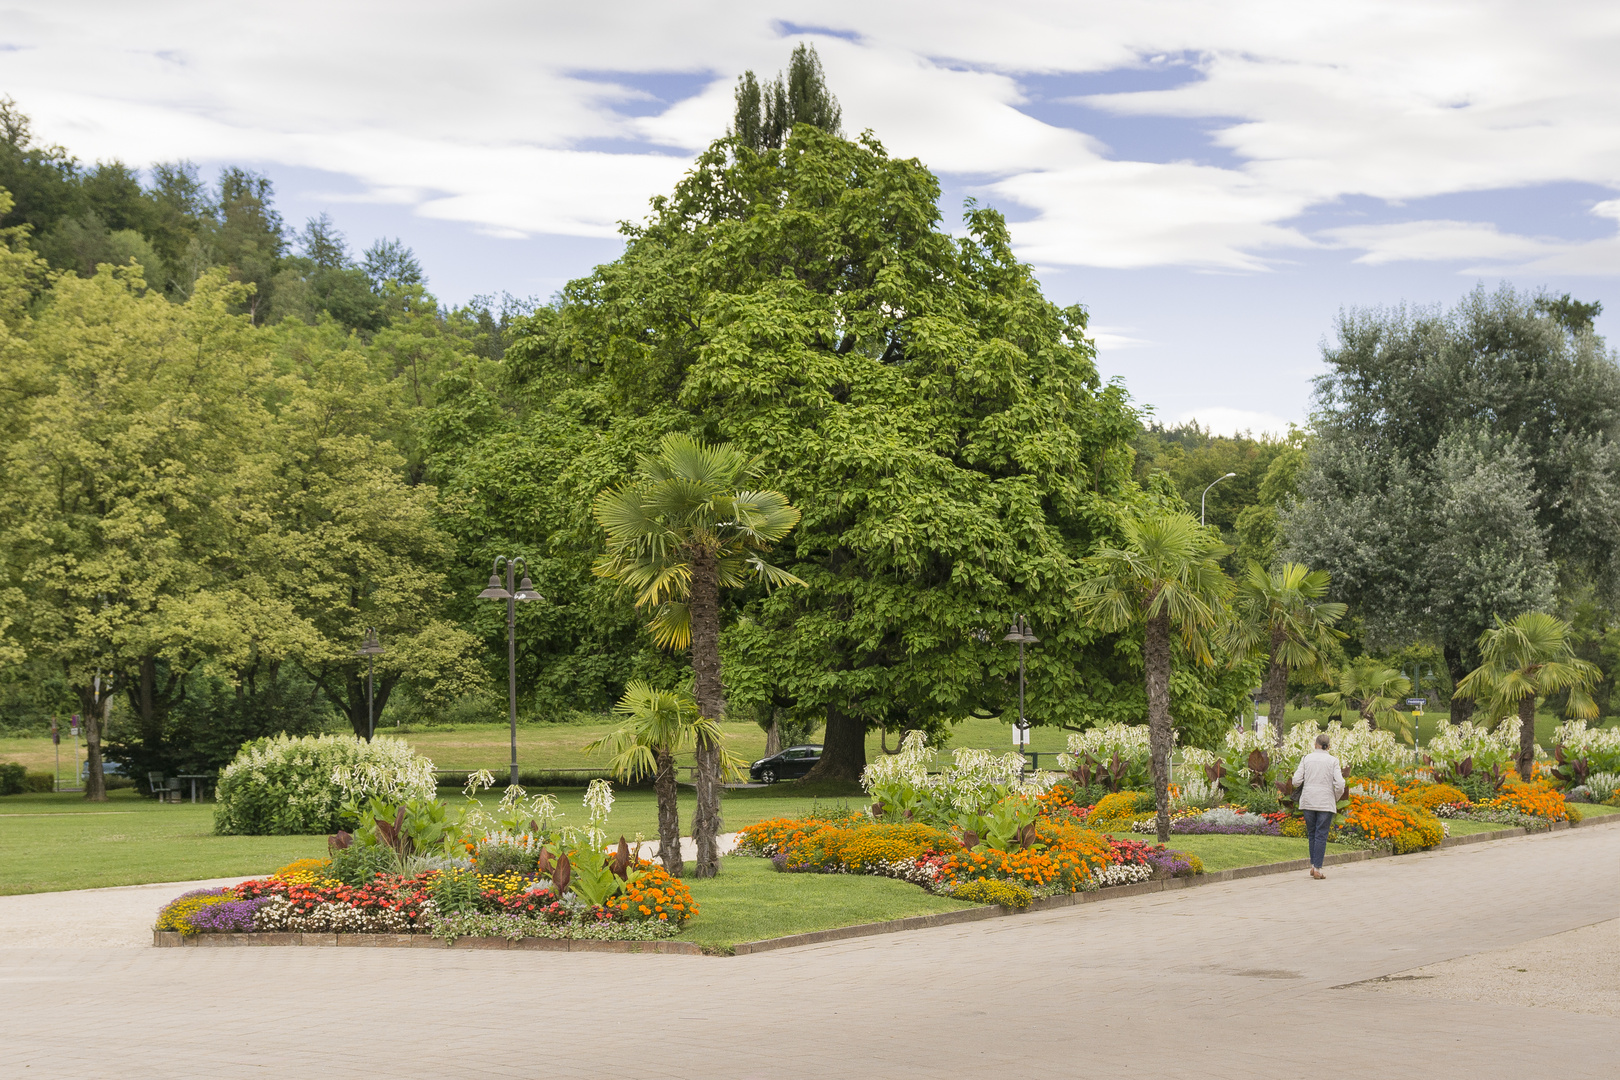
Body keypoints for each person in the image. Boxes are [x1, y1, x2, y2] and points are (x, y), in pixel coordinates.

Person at [1291, 733, 1346, 880]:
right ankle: (1318, 868)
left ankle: (1313, 865)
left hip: (1308, 800)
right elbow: (1340, 784)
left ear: (1315, 745)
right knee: (1321, 834)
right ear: (1329, 746)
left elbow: (1296, 781)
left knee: (1312, 834)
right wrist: (1335, 797)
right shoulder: (1333, 761)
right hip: (1325, 802)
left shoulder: (1306, 758)